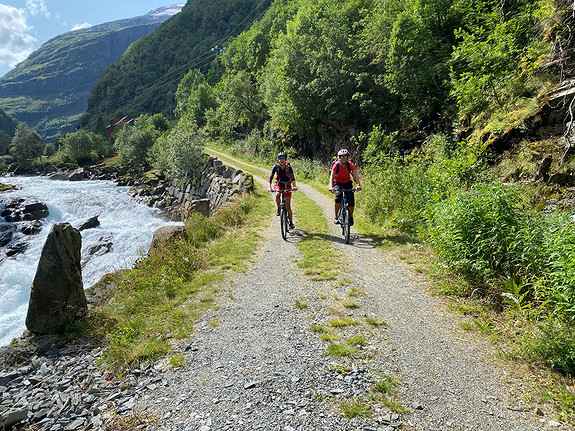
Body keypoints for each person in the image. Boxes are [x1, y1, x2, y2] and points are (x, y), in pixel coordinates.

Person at [329, 148, 361, 226]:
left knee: (351, 201)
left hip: (347, 183)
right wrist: (331, 186)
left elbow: (355, 175)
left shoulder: (350, 165)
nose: (344, 159)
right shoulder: (336, 165)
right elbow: (332, 176)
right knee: (338, 198)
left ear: (348, 157)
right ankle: (336, 216)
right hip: (337, 183)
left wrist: (358, 185)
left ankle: (350, 217)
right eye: (342, 157)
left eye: (345, 157)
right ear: (339, 158)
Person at [268, 151, 297, 229]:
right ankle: (278, 208)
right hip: (279, 184)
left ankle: (291, 222)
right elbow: (270, 178)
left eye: (283, 158)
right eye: (280, 158)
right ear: (278, 160)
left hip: (287, 185)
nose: (282, 160)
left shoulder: (288, 168)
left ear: (285, 159)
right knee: (277, 195)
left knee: (288, 206)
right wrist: (269, 187)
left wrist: (294, 187)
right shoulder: (276, 167)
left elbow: (292, 178)